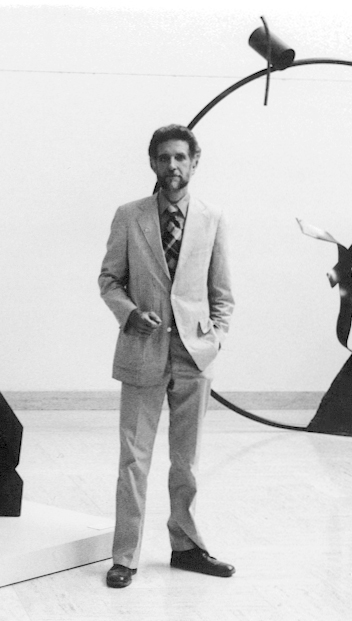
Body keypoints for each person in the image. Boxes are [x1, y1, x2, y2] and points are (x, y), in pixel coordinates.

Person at [98, 124, 235, 588]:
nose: (172, 166)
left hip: (194, 356)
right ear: (152, 163)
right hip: (142, 351)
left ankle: (187, 547)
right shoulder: (129, 216)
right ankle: (125, 556)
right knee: (133, 460)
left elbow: (222, 293)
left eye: (180, 157)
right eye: (163, 158)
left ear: (194, 162)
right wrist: (129, 313)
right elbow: (109, 279)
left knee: (187, 461)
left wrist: (215, 340)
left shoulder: (213, 218)